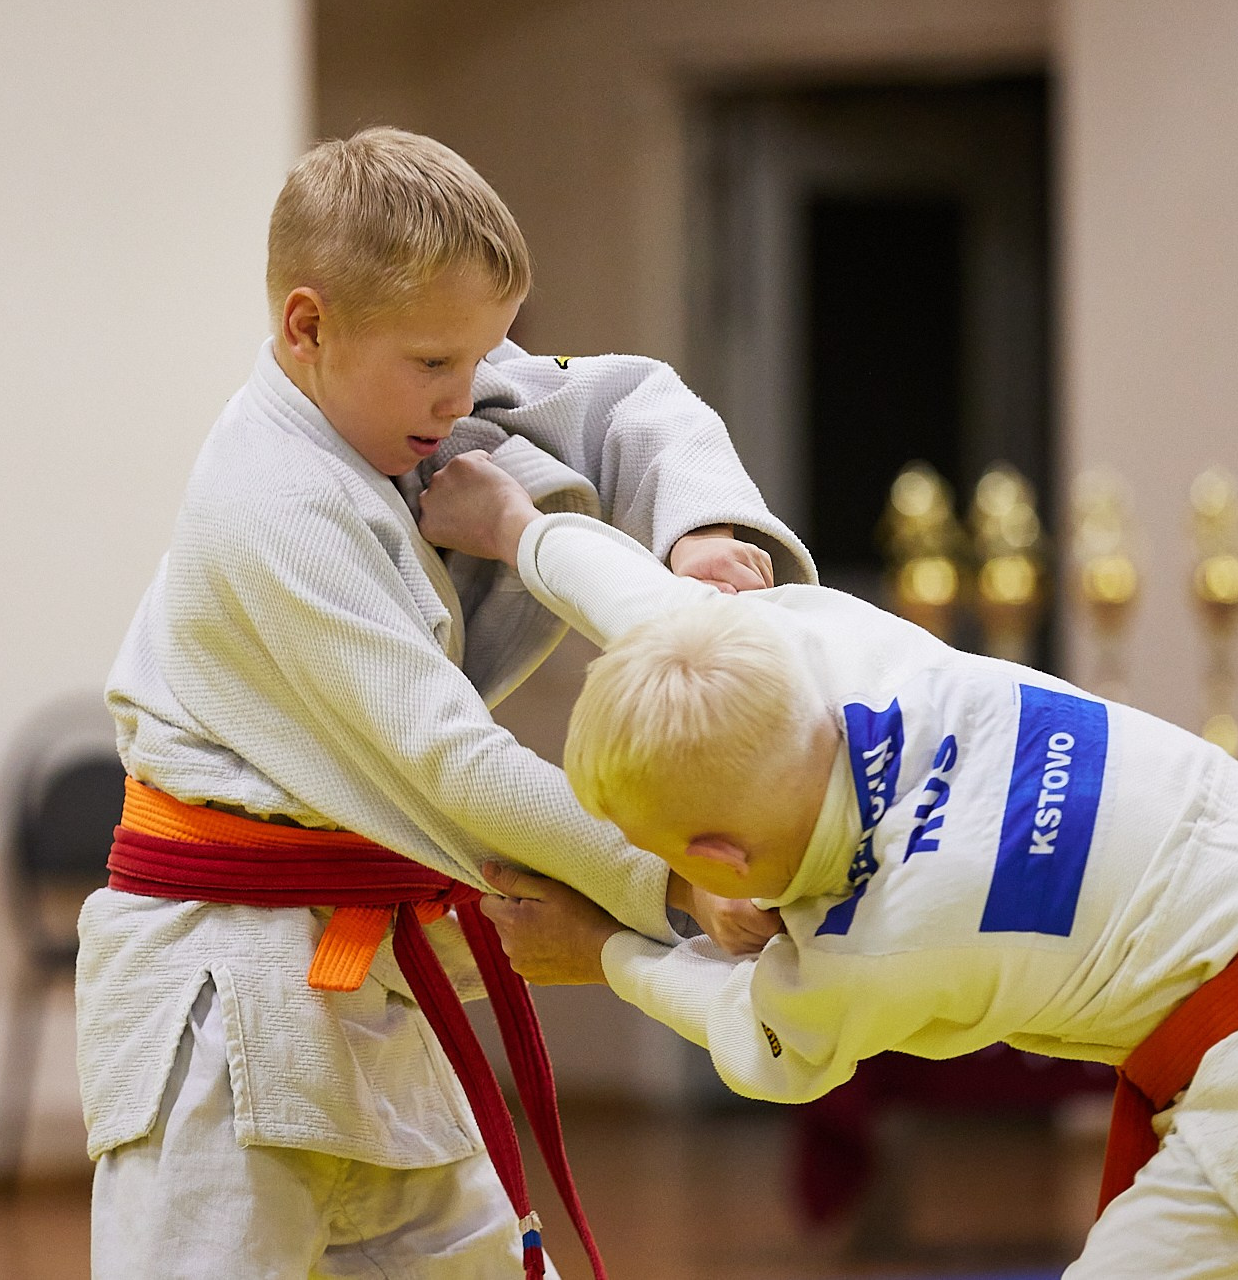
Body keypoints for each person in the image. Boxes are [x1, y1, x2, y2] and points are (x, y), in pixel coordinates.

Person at [414, 452, 1238, 1280]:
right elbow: (658, 613)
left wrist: (601, 950)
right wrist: (517, 526)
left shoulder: (879, 941)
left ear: (717, 857)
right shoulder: (827, 647)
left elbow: (760, 1039)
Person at [77, 127, 813, 1280]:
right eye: (436, 365)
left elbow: (630, 400)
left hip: (373, 974)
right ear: (307, 327)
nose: (467, 392)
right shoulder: (271, 497)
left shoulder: (400, 384)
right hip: (221, 998)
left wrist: (700, 528)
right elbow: (450, 760)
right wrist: (674, 874)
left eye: (481, 355)